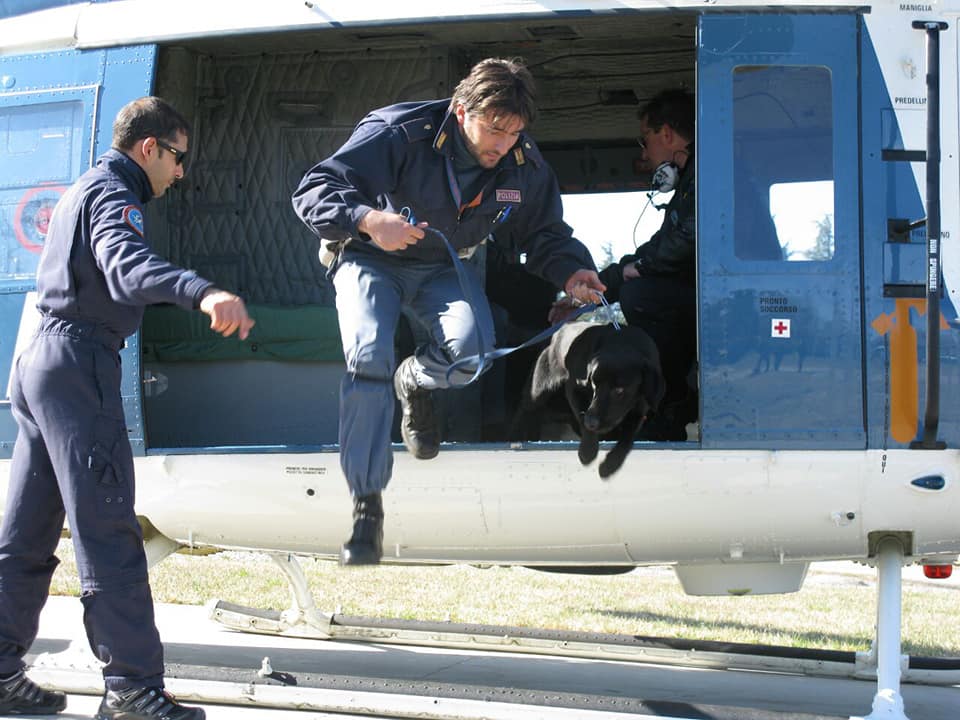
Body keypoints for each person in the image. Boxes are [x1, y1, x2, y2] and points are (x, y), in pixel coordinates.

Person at [292, 57, 604, 566]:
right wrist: (368, 220)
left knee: (471, 355)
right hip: (371, 256)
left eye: (514, 132)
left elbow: (544, 234)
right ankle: (366, 508)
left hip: (442, 266)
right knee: (367, 357)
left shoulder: (522, 162)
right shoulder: (401, 132)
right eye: (494, 128)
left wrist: (572, 272)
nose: (502, 144)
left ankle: (414, 380)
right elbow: (314, 190)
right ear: (462, 110)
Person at [0, 97, 255, 720]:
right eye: (178, 157)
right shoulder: (115, 196)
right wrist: (203, 291)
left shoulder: (81, 188)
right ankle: (133, 690)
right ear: (149, 148)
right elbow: (125, 268)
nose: (180, 172)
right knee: (108, 527)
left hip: (37, 360)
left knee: (28, 532)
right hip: (77, 362)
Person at [555, 89, 696, 441]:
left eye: (645, 139)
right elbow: (663, 244)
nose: (644, 152)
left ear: (666, 135)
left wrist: (634, 272)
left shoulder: (702, 176)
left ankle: (669, 402)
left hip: (711, 294)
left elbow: (684, 242)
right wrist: (595, 289)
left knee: (642, 295)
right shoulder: (691, 180)